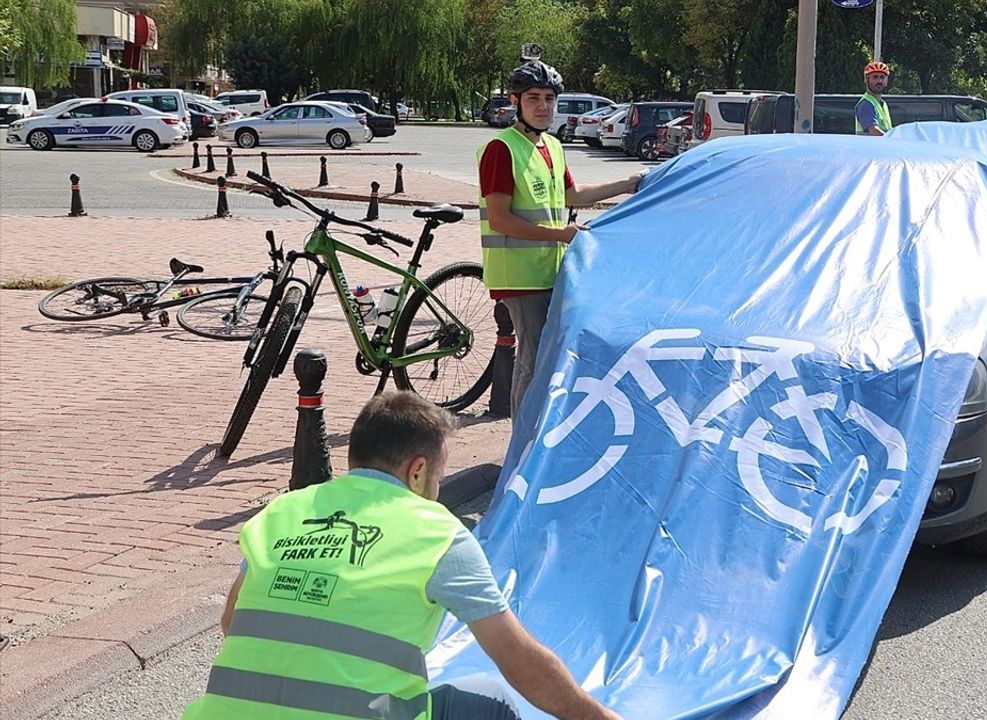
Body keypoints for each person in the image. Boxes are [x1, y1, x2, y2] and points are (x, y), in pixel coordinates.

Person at [182, 391, 621, 720]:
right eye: (439, 473)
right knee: (492, 702)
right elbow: (521, 663)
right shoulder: (434, 532)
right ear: (417, 470)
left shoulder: (282, 512)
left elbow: (231, 621)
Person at [479, 60, 643, 418]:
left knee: (547, 361)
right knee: (533, 362)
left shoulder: (551, 145)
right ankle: (522, 450)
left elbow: (573, 194)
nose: (542, 106)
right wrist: (562, 234)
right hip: (519, 277)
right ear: (515, 101)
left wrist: (629, 184)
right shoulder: (501, 149)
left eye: (549, 99)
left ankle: (535, 439)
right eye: (533, 98)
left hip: (549, 271)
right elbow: (500, 218)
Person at [854, 61, 894, 136]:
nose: (879, 81)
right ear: (866, 80)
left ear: (886, 81)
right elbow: (873, 131)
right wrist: (893, 141)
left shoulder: (883, 104)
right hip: (868, 147)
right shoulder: (866, 104)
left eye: (882, 77)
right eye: (875, 77)